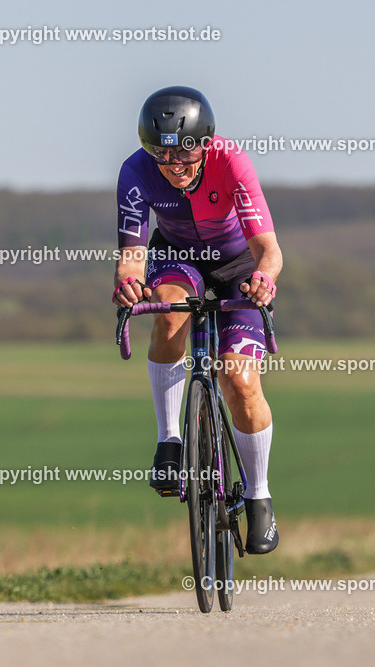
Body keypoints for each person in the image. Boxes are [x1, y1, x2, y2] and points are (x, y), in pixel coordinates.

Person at [112, 86, 282, 554]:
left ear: (206, 143)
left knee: (241, 381)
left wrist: (264, 280)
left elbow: (267, 250)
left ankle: (258, 494)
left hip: (236, 266)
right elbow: (132, 254)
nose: (175, 167)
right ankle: (169, 441)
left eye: (185, 155)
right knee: (167, 316)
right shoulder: (134, 171)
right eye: (162, 156)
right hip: (177, 258)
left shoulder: (231, 160)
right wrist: (127, 282)